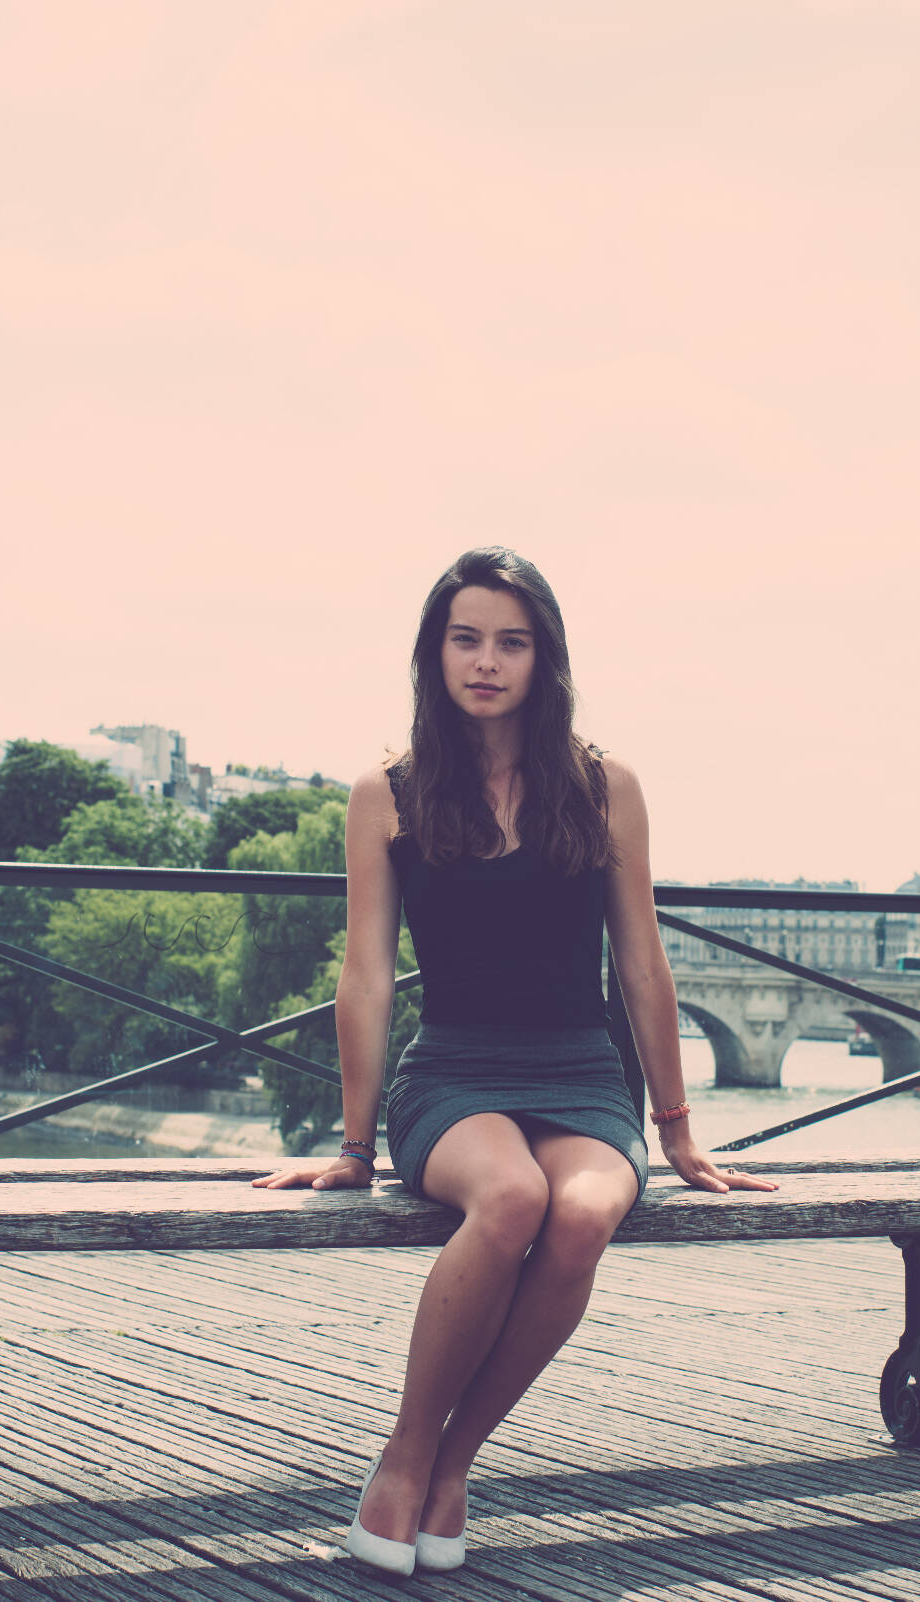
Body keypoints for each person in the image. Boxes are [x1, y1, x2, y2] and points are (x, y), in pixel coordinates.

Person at [254, 546, 776, 1576]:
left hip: (581, 1072)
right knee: (510, 1201)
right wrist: (353, 1147)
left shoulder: (603, 784)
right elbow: (364, 978)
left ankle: (454, 1464)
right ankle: (403, 1463)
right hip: (451, 1071)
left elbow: (641, 960)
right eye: (465, 639)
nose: (485, 661)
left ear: (545, 659)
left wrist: (677, 1131)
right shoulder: (386, 794)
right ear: (433, 654)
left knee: (582, 1211)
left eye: (510, 641)